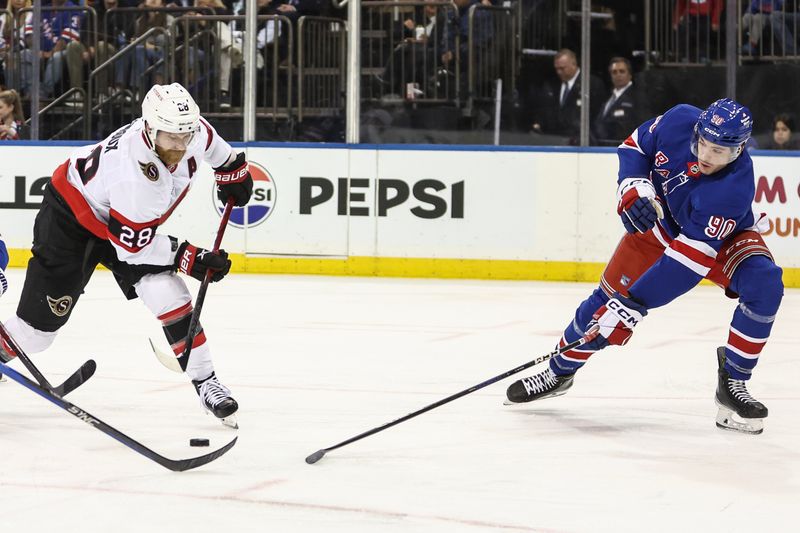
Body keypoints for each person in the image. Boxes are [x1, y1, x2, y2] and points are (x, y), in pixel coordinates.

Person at [505, 98, 784, 435]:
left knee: (765, 285)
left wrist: (633, 306)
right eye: (703, 144)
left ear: (739, 150)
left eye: (719, 151)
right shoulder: (679, 119)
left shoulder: (732, 190)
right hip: (659, 227)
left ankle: (733, 382)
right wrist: (635, 187)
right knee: (602, 304)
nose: (706, 156)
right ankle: (558, 371)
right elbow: (635, 146)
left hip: (718, 240)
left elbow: (685, 263)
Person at [0, 83, 254, 427]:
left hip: (124, 223)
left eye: (185, 136)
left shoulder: (190, 131)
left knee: (167, 292)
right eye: (171, 138)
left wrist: (234, 173)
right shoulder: (134, 174)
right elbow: (131, 249)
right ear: (149, 130)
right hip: (72, 219)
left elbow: (221, 154)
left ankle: (207, 382)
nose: (180, 146)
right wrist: (188, 257)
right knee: (36, 334)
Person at [531, 48, 605, 144]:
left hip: (580, 143)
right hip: (553, 140)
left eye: (562, 68)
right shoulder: (551, 85)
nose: (559, 72)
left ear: (574, 64)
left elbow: (597, 115)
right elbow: (545, 110)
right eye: (556, 69)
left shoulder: (591, 84)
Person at [592, 56, 644, 145]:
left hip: (623, 147)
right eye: (614, 72)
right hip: (603, 146)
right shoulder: (608, 97)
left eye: (622, 71)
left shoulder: (637, 97)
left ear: (630, 74)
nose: (618, 75)